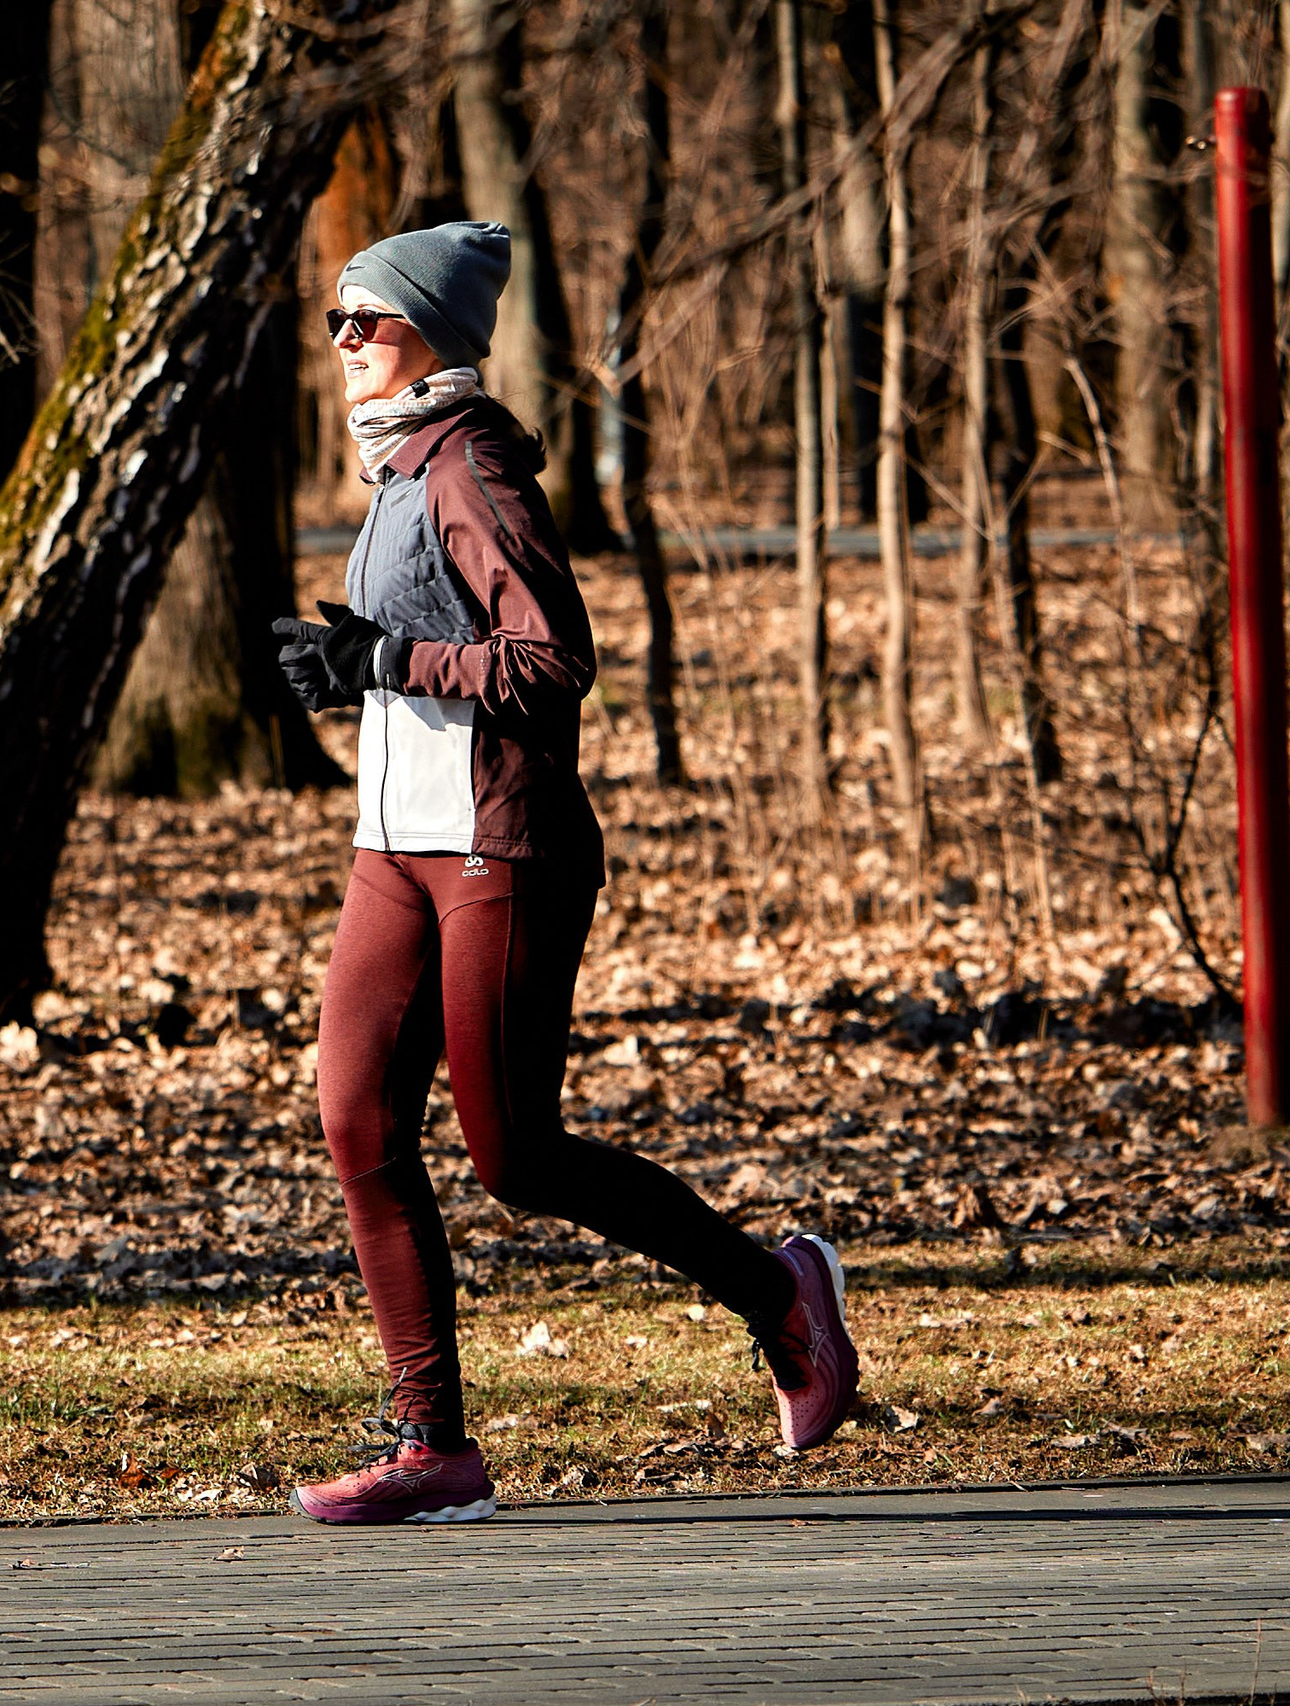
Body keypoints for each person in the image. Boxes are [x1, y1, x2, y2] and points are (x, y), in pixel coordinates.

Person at [269, 221, 860, 1527]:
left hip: (497, 848)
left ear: (425, 329)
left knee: (516, 1154)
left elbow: (550, 661)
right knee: (357, 1122)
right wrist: (344, 674)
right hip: (394, 853)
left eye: (362, 320)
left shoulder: (469, 464)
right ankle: (432, 1446)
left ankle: (778, 1294)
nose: (342, 344)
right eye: (335, 323)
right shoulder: (398, 471)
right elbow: (423, 652)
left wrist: (389, 666)